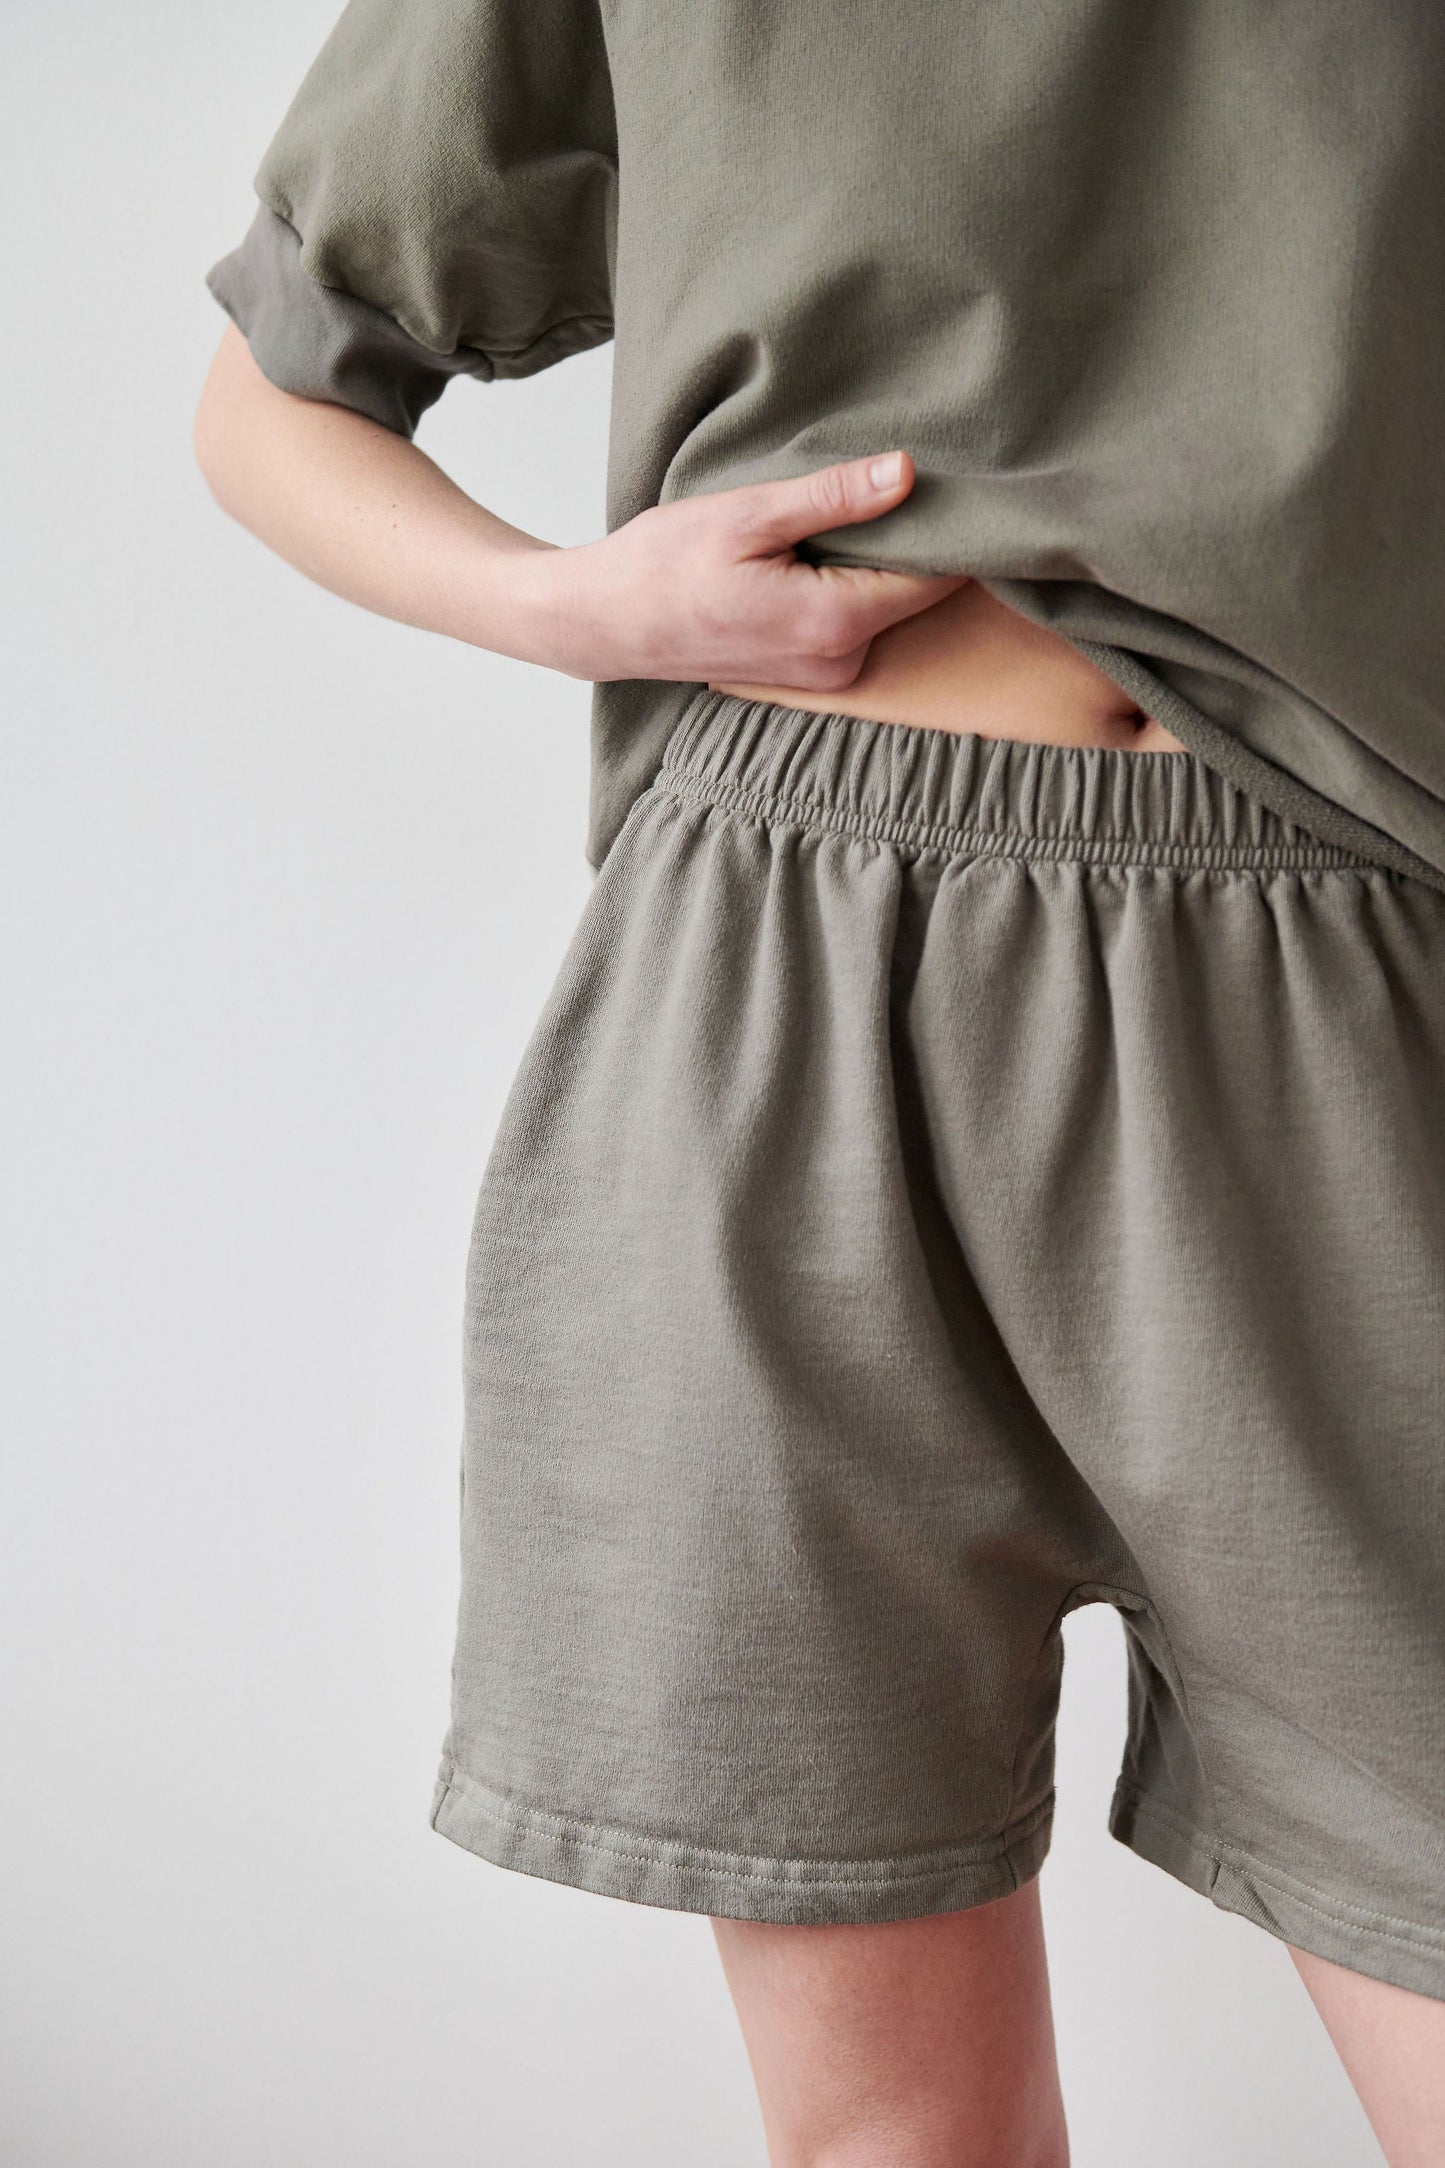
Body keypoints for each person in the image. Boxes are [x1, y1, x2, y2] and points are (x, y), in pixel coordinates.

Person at [194, 3, 1445, 2160]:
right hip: (776, 995)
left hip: (1343, 1006)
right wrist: (572, 608)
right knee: (893, 2137)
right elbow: (271, 398)